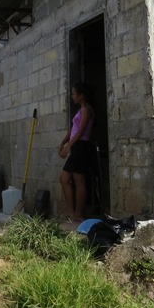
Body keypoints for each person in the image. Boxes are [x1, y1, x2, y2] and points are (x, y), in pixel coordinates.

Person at [58, 81, 96, 222]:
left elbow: (80, 131)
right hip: (76, 146)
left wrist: (69, 146)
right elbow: (73, 129)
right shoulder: (80, 111)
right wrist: (63, 142)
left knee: (79, 180)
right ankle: (71, 211)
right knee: (64, 178)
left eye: (74, 94)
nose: (72, 96)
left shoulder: (86, 110)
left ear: (81, 96)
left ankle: (78, 214)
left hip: (81, 146)